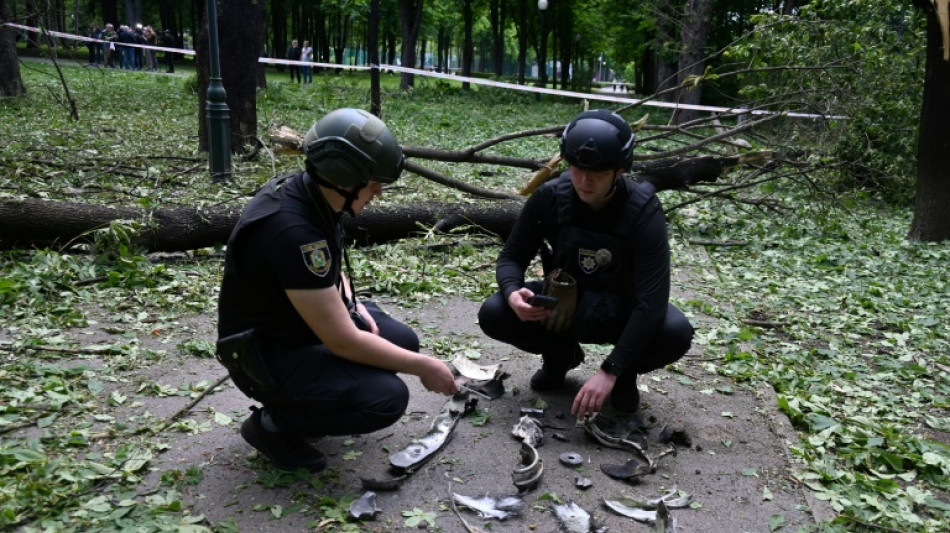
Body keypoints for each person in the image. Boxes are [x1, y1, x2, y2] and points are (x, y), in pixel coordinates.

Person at [216, 108, 458, 472]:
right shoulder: (293, 231)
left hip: (291, 327)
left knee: (401, 342)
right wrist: (426, 368)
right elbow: (341, 341)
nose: (377, 192)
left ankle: (317, 401)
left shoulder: (314, 194)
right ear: (345, 177)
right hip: (263, 355)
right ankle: (272, 426)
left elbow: (326, 267)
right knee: (387, 398)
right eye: (372, 182)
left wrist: (350, 301)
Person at [477, 109, 694, 421]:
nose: (584, 181)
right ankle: (559, 357)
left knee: (675, 331)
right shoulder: (550, 196)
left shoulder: (644, 210)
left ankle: (624, 373)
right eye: (577, 169)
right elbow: (512, 257)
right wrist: (513, 292)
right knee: (494, 312)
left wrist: (610, 370)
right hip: (562, 307)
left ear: (619, 171)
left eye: (598, 174)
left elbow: (652, 302)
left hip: (622, 311)